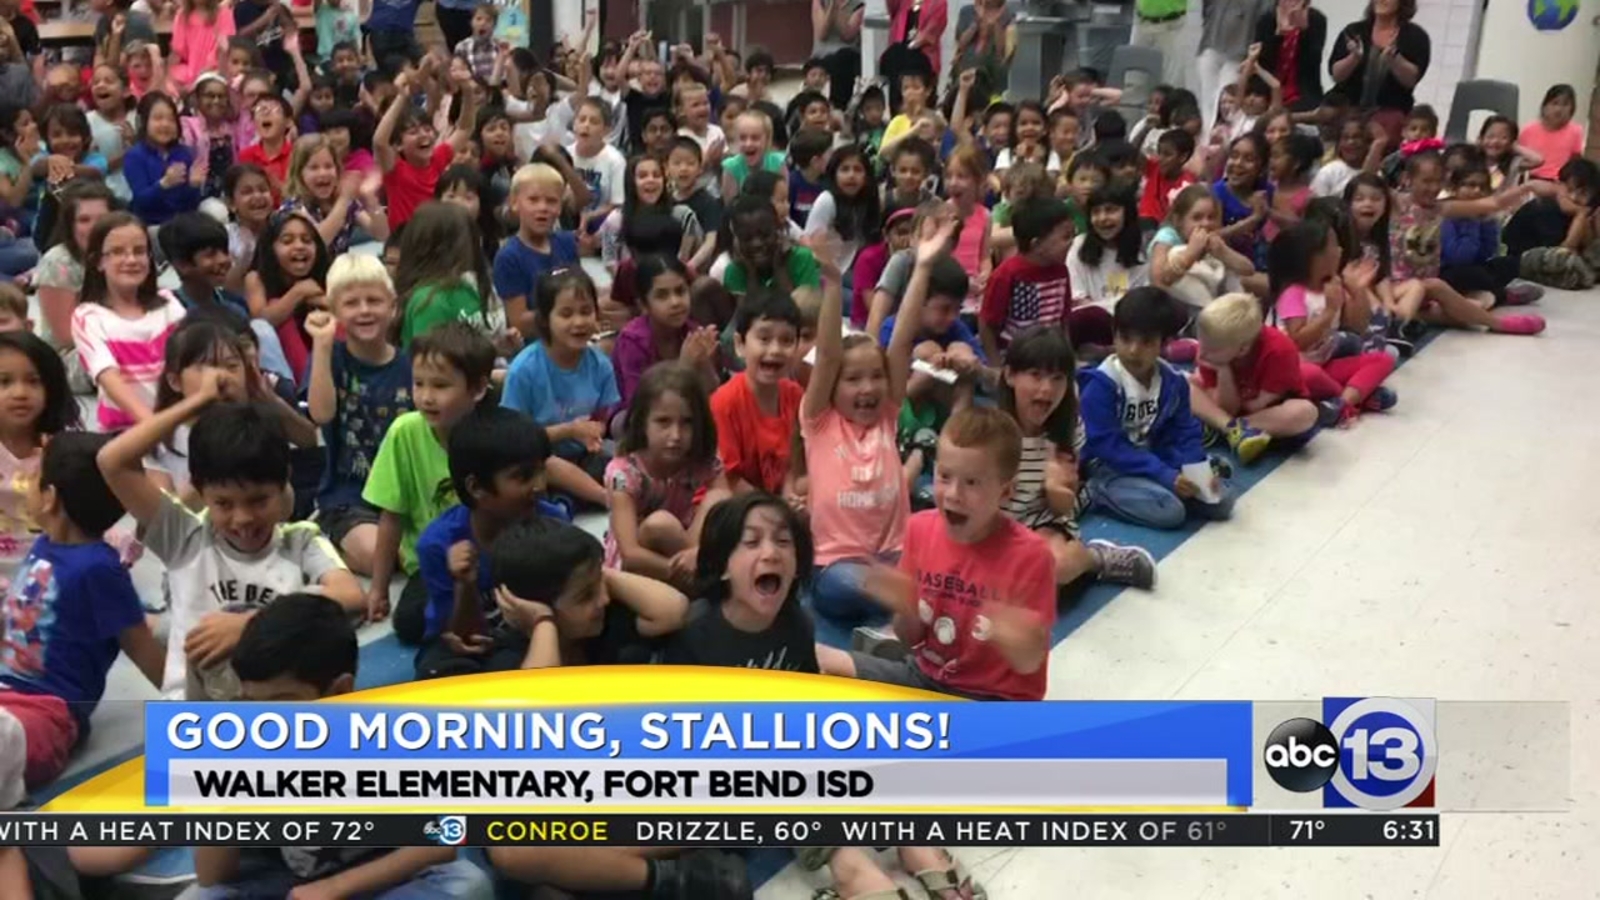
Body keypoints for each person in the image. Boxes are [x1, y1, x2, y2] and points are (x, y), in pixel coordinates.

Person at [195, 592, 495, 900]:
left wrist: (334, 889)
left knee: (468, 886)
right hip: (281, 882)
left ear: (340, 691)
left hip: (379, 879)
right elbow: (212, 877)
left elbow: (444, 839)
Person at [98, 386, 363, 699]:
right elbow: (111, 461)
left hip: (273, 707)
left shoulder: (301, 542)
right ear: (200, 489)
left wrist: (248, 627)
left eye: (258, 500)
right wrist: (195, 401)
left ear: (283, 483)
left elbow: (352, 595)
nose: (242, 518)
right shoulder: (184, 537)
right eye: (223, 503)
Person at [0, 432, 162, 808]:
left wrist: (197, 711)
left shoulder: (99, 570)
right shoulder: (45, 546)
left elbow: (140, 647)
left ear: (52, 497)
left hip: (48, 714)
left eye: (36, 481)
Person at [803, 219, 941, 622]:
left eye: (876, 376)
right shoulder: (820, 422)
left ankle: (907, 614)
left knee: (942, 564)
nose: (868, 388)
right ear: (831, 386)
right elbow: (827, 355)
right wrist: (831, 280)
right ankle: (910, 614)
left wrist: (924, 268)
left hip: (894, 555)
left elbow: (901, 341)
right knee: (853, 585)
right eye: (853, 379)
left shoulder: (886, 417)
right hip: (835, 566)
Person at [363, 321, 497, 645]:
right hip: (433, 565)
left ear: (477, 389)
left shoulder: (493, 433)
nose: (425, 397)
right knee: (409, 622)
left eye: (440, 385)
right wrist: (378, 590)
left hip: (491, 553)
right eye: (418, 383)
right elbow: (391, 516)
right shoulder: (404, 432)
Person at [994, 326, 1157, 589]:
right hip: (994, 530)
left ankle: (1095, 558)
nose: (1046, 389)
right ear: (1010, 375)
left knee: (1056, 568)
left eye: (1058, 378)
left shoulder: (1065, 431)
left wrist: (1055, 486)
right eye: (1035, 376)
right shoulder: (988, 432)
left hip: (1041, 522)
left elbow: (1061, 508)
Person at [412, 406, 561, 679]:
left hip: (531, 634)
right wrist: (464, 583)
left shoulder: (553, 524)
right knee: (435, 670)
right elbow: (461, 637)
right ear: (476, 487)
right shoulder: (438, 545)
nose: (540, 485)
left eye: (542, 471)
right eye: (524, 476)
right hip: (465, 636)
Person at [1080, 286, 1233, 529]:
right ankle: (1098, 493)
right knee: (1171, 512)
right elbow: (1107, 446)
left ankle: (1184, 477)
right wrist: (1165, 475)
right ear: (1114, 334)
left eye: (1146, 342)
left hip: (1154, 456)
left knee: (1221, 502)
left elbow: (1185, 431)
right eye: (1125, 338)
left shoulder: (1173, 382)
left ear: (1164, 342)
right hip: (1109, 467)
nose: (1133, 350)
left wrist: (1197, 468)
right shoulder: (1102, 385)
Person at [305, 255, 412, 578]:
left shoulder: (412, 363)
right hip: (350, 495)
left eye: (374, 300)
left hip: (407, 493)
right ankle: (324, 537)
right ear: (335, 311)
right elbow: (320, 413)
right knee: (380, 556)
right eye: (351, 303)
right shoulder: (330, 357)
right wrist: (322, 347)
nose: (364, 310)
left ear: (392, 306)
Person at [604, 363, 731, 591]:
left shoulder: (699, 460)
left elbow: (727, 513)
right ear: (641, 422)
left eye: (687, 423)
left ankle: (702, 580)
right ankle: (703, 583)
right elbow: (630, 554)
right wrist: (690, 571)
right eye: (663, 422)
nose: (676, 435)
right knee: (660, 524)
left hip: (681, 548)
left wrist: (697, 554)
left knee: (719, 498)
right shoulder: (624, 472)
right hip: (634, 570)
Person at [500, 269, 616, 510]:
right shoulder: (524, 370)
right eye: (566, 314)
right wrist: (570, 430)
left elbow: (602, 417)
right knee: (543, 466)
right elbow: (513, 439)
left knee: (625, 459)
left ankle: (567, 501)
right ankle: (606, 499)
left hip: (585, 457)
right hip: (537, 459)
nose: (579, 322)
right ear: (544, 320)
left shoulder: (600, 364)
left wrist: (593, 432)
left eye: (586, 312)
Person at [72, 213, 189, 431]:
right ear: (98, 261)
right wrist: (155, 428)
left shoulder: (169, 304)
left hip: (175, 424)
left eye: (139, 251)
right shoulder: (88, 317)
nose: (131, 260)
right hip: (125, 434)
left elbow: (191, 363)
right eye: (117, 252)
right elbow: (110, 379)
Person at [1190, 291, 1321, 455]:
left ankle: (1222, 428)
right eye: (1200, 343)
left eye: (1210, 349)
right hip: (1231, 412)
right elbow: (1226, 407)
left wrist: (1219, 411)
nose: (1201, 354)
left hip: (1265, 413)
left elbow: (1254, 406)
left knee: (1306, 412)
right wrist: (1223, 371)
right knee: (1186, 383)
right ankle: (1230, 430)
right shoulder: (1212, 350)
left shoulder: (1280, 350)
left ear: (1242, 349)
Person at [712, 289, 804, 496]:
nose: (775, 350)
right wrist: (776, 508)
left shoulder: (796, 395)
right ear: (740, 344)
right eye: (764, 339)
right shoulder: (724, 401)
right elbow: (730, 478)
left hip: (776, 503)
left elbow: (793, 466)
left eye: (787, 341)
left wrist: (790, 498)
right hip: (733, 504)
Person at [494, 162, 584, 339]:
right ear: (514, 203)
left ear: (559, 207)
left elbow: (579, 290)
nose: (543, 208)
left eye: (551, 201)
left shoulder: (567, 242)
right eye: (533, 200)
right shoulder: (509, 257)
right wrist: (566, 311)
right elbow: (519, 322)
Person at [980, 197, 1077, 361]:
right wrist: (995, 363)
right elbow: (987, 324)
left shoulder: (1061, 271)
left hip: (1052, 354)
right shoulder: (1007, 274)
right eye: (1065, 237)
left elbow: (1063, 320)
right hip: (1015, 356)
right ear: (1036, 244)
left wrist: (1068, 356)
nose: (1072, 243)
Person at [1327, 0, 1431, 146]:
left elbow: (1411, 79)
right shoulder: (1354, 30)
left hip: (1389, 110)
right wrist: (1354, 58)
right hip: (1348, 106)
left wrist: (1394, 58)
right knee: (1339, 124)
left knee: (1384, 132)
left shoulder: (1415, 36)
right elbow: (1337, 75)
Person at [1252, 0, 1325, 112]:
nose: (1291, 4)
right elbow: (1262, 61)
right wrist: (1278, 36)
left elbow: (1313, 64)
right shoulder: (1267, 19)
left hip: (1301, 90)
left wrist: (1304, 31)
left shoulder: (1316, 20)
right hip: (1268, 87)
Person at [1521, 84, 1586, 182]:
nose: (1559, 109)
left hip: (1561, 182)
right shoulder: (1528, 130)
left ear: (1572, 109)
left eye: (1565, 104)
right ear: (1545, 107)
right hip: (1532, 180)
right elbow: (1518, 160)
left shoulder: (1576, 131)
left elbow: (1576, 162)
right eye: (1555, 103)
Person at [813, 0, 865, 111]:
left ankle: (838, 108)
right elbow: (822, 33)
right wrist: (832, 6)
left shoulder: (859, 5)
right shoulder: (820, 2)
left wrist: (836, 6)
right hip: (822, 55)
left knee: (842, 58)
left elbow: (847, 34)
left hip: (847, 56)